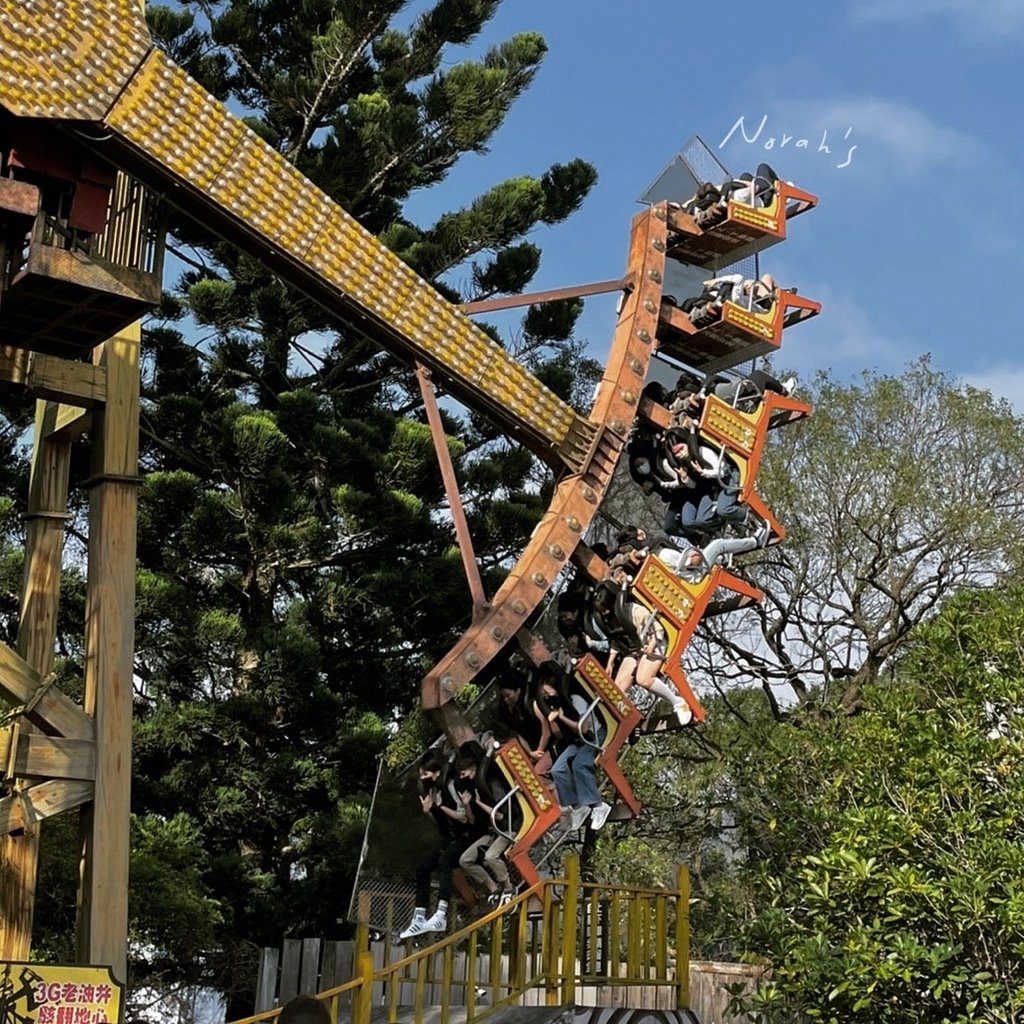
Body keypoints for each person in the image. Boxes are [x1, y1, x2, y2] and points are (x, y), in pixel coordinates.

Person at [590, 582, 691, 726]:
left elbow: (658, 629)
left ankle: (678, 703)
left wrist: (651, 645)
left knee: (643, 679)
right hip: (634, 650)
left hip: (655, 642)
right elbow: (616, 641)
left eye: (605, 609)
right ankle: (629, 721)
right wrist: (610, 662)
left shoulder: (635, 611)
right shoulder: (609, 620)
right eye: (601, 611)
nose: (605, 613)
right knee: (616, 689)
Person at [398, 750, 470, 939]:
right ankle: (419, 916)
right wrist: (429, 811)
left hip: (465, 835)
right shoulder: (434, 791)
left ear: (437, 772)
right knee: (423, 867)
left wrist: (440, 807)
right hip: (449, 836)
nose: (424, 779)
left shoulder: (452, 786)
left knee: (445, 861)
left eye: (426, 774)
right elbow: (441, 822)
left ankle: (440, 914)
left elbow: (463, 818)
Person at [535, 662, 612, 832]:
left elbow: (582, 728)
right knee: (557, 770)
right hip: (578, 741)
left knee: (579, 765)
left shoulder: (575, 700)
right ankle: (578, 806)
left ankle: (599, 805)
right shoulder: (558, 705)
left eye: (547, 692)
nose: (547, 697)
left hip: (594, 735)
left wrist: (561, 718)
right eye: (544, 696)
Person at [455, 750, 517, 906]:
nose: (463, 778)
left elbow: (501, 815)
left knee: (490, 856)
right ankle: (493, 888)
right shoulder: (475, 788)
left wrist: (479, 803)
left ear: (473, 768)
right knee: (465, 860)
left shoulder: (491, 782)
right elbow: (472, 820)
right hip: (493, 831)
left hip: (508, 827)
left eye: (464, 773)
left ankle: (509, 887)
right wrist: (467, 804)